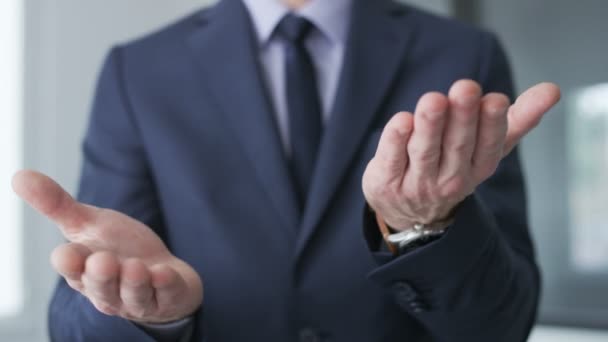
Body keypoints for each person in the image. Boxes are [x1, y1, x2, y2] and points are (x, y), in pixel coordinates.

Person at [12, 0, 561, 341]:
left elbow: (501, 327)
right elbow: (75, 324)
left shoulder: (463, 51)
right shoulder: (139, 69)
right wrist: (147, 316)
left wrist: (423, 226)